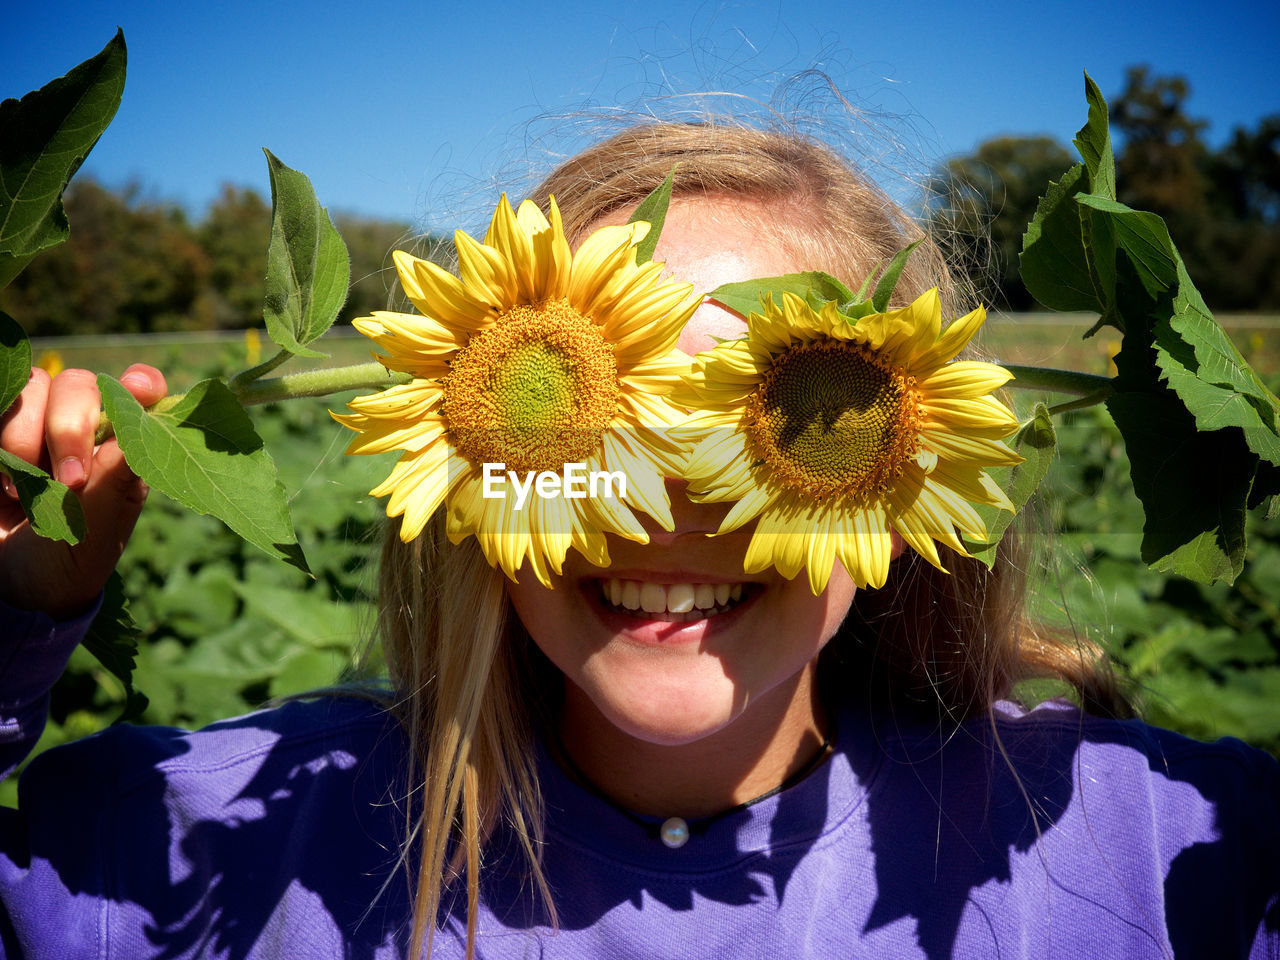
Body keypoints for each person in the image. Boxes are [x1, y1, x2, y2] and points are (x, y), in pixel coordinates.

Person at [1, 122, 1277, 960]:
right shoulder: (201, 842)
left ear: (908, 472)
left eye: (784, 424)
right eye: (592, 423)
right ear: (468, 490)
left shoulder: (1134, 851)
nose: (667, 506)